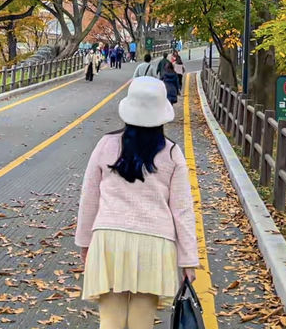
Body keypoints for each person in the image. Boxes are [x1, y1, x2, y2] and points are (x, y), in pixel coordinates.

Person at [76, 76, 198, 329]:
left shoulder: (106, 144)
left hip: (109, 237)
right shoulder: (173, 153)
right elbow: (182, 210)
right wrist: (188, 260)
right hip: (155, 241)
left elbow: (89, 198)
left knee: (110, 320)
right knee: (141, 322)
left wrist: (85, 243)